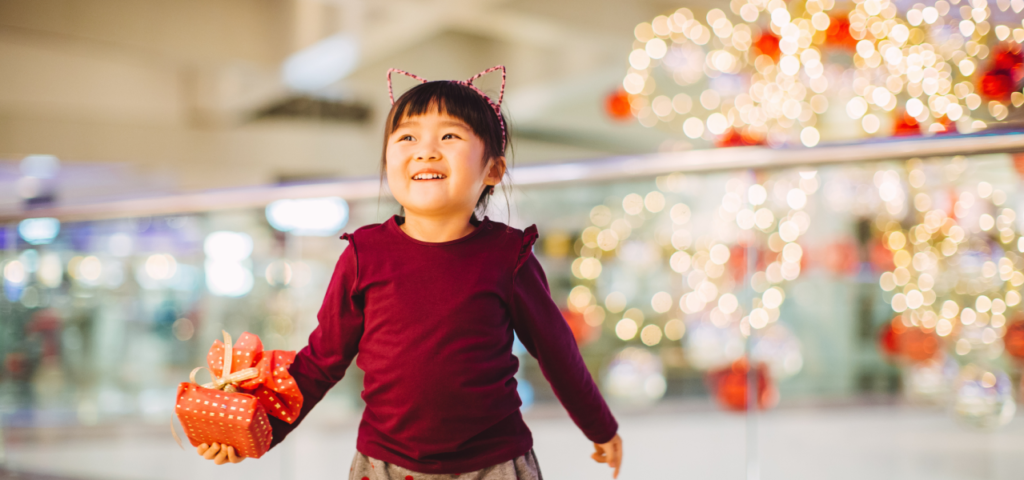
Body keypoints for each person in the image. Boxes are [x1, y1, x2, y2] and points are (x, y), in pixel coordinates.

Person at [196, 66, 624, 479]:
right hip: (386, 465)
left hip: (495, 464)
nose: (425, 149)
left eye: (450, 135)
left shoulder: (508, 256)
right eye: (407, 137)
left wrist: (600, 426)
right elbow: (320, 363)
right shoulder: (364, 253)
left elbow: (558, 354)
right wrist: (258, 433)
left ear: (492, 169)